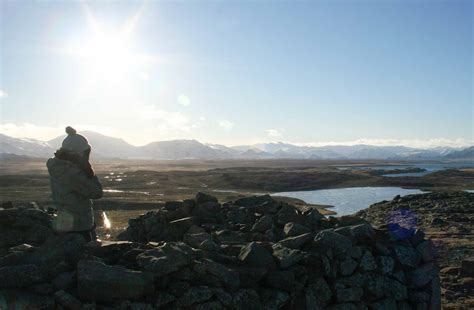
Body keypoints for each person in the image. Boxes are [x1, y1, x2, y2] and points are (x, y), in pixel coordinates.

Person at [47, 126, 103, 242]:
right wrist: (89, 171)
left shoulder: (57, 166)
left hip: (66, 223)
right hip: (80, 226)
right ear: (77, 153)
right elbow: (97, 192)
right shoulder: (72, 173)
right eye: (85, 153)